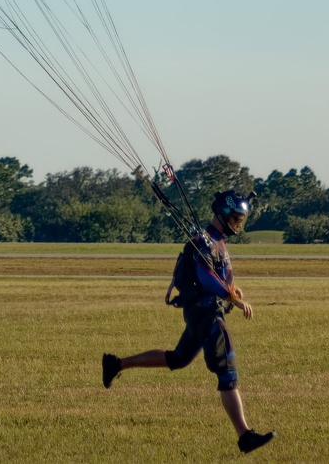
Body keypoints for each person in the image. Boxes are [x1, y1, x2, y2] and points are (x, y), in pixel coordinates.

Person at [102, 190, 275, 455]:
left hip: (200, 312)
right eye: (237, 218)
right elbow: (206, 278)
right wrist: (233, 298)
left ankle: (116, 364)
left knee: (179, 358)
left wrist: (233, 289)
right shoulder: (204, 241)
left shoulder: (215, 240)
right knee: (227, 372)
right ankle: (245, 436)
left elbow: (219, 274)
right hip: (206, 313)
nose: (239, 224)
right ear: (224, 215)